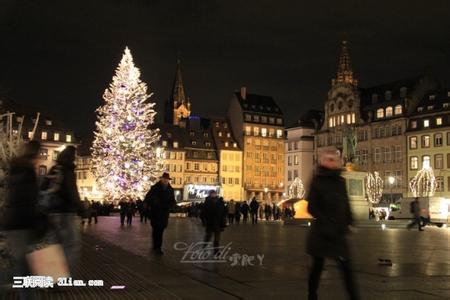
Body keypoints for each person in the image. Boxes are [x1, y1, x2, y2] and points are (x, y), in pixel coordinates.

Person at [306, 148, 359, 300]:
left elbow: (345, 203)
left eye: (334, 159)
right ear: (322, 161)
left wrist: (350, 220)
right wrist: (326, 223)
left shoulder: (340, 181)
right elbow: (312, 207)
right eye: (328, 159)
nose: (331, 161)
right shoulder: (317, 180)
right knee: (317, 267)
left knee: (347, 269)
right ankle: (311, 295)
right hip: (322, 233)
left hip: (338, 233)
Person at [3, 141, 41, 300]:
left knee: (22, 263)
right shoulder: (27, 171)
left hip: (12, 220)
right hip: (23, 221)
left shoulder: (14, 170)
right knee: (24, 267)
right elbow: (30, 198)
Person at [144, 172, 176, 255]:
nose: (166, 180)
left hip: (164, 213)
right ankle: (156, 246)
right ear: (161, 179)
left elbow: (173, 200)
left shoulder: (170, 189)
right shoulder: (155, 188)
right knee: (156, 230)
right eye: (164, 179)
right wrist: (152, 202)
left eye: (167, 179)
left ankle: (158, 247)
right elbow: (148, 197)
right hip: (155, 212)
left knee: (160, 231)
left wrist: (172, 205)